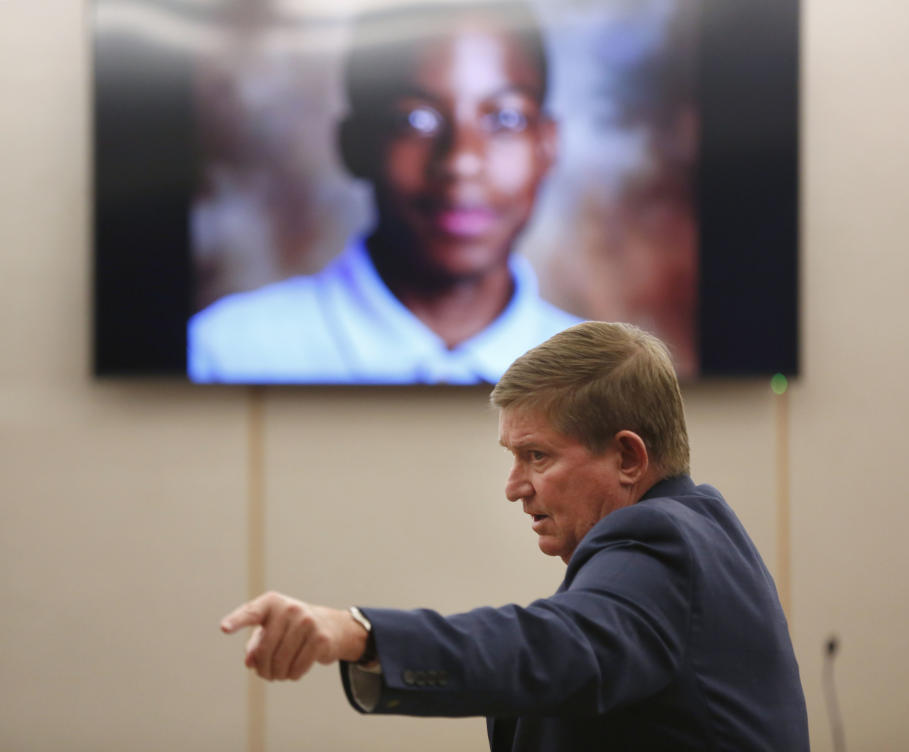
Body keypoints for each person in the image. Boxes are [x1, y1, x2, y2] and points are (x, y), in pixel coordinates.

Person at [221, 321, 810, 751]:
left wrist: (358, 632)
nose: (514, 487)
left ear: (628, 458)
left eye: (537, 456)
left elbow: (551, 647)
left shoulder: (659, 545)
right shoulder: (700, 532)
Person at [188, 1, 580, 384]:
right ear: (354, 144)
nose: (460, 160)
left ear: (548, 145)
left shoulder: (611, 382)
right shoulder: (225, 353)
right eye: (416, 119)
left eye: (505, 118)